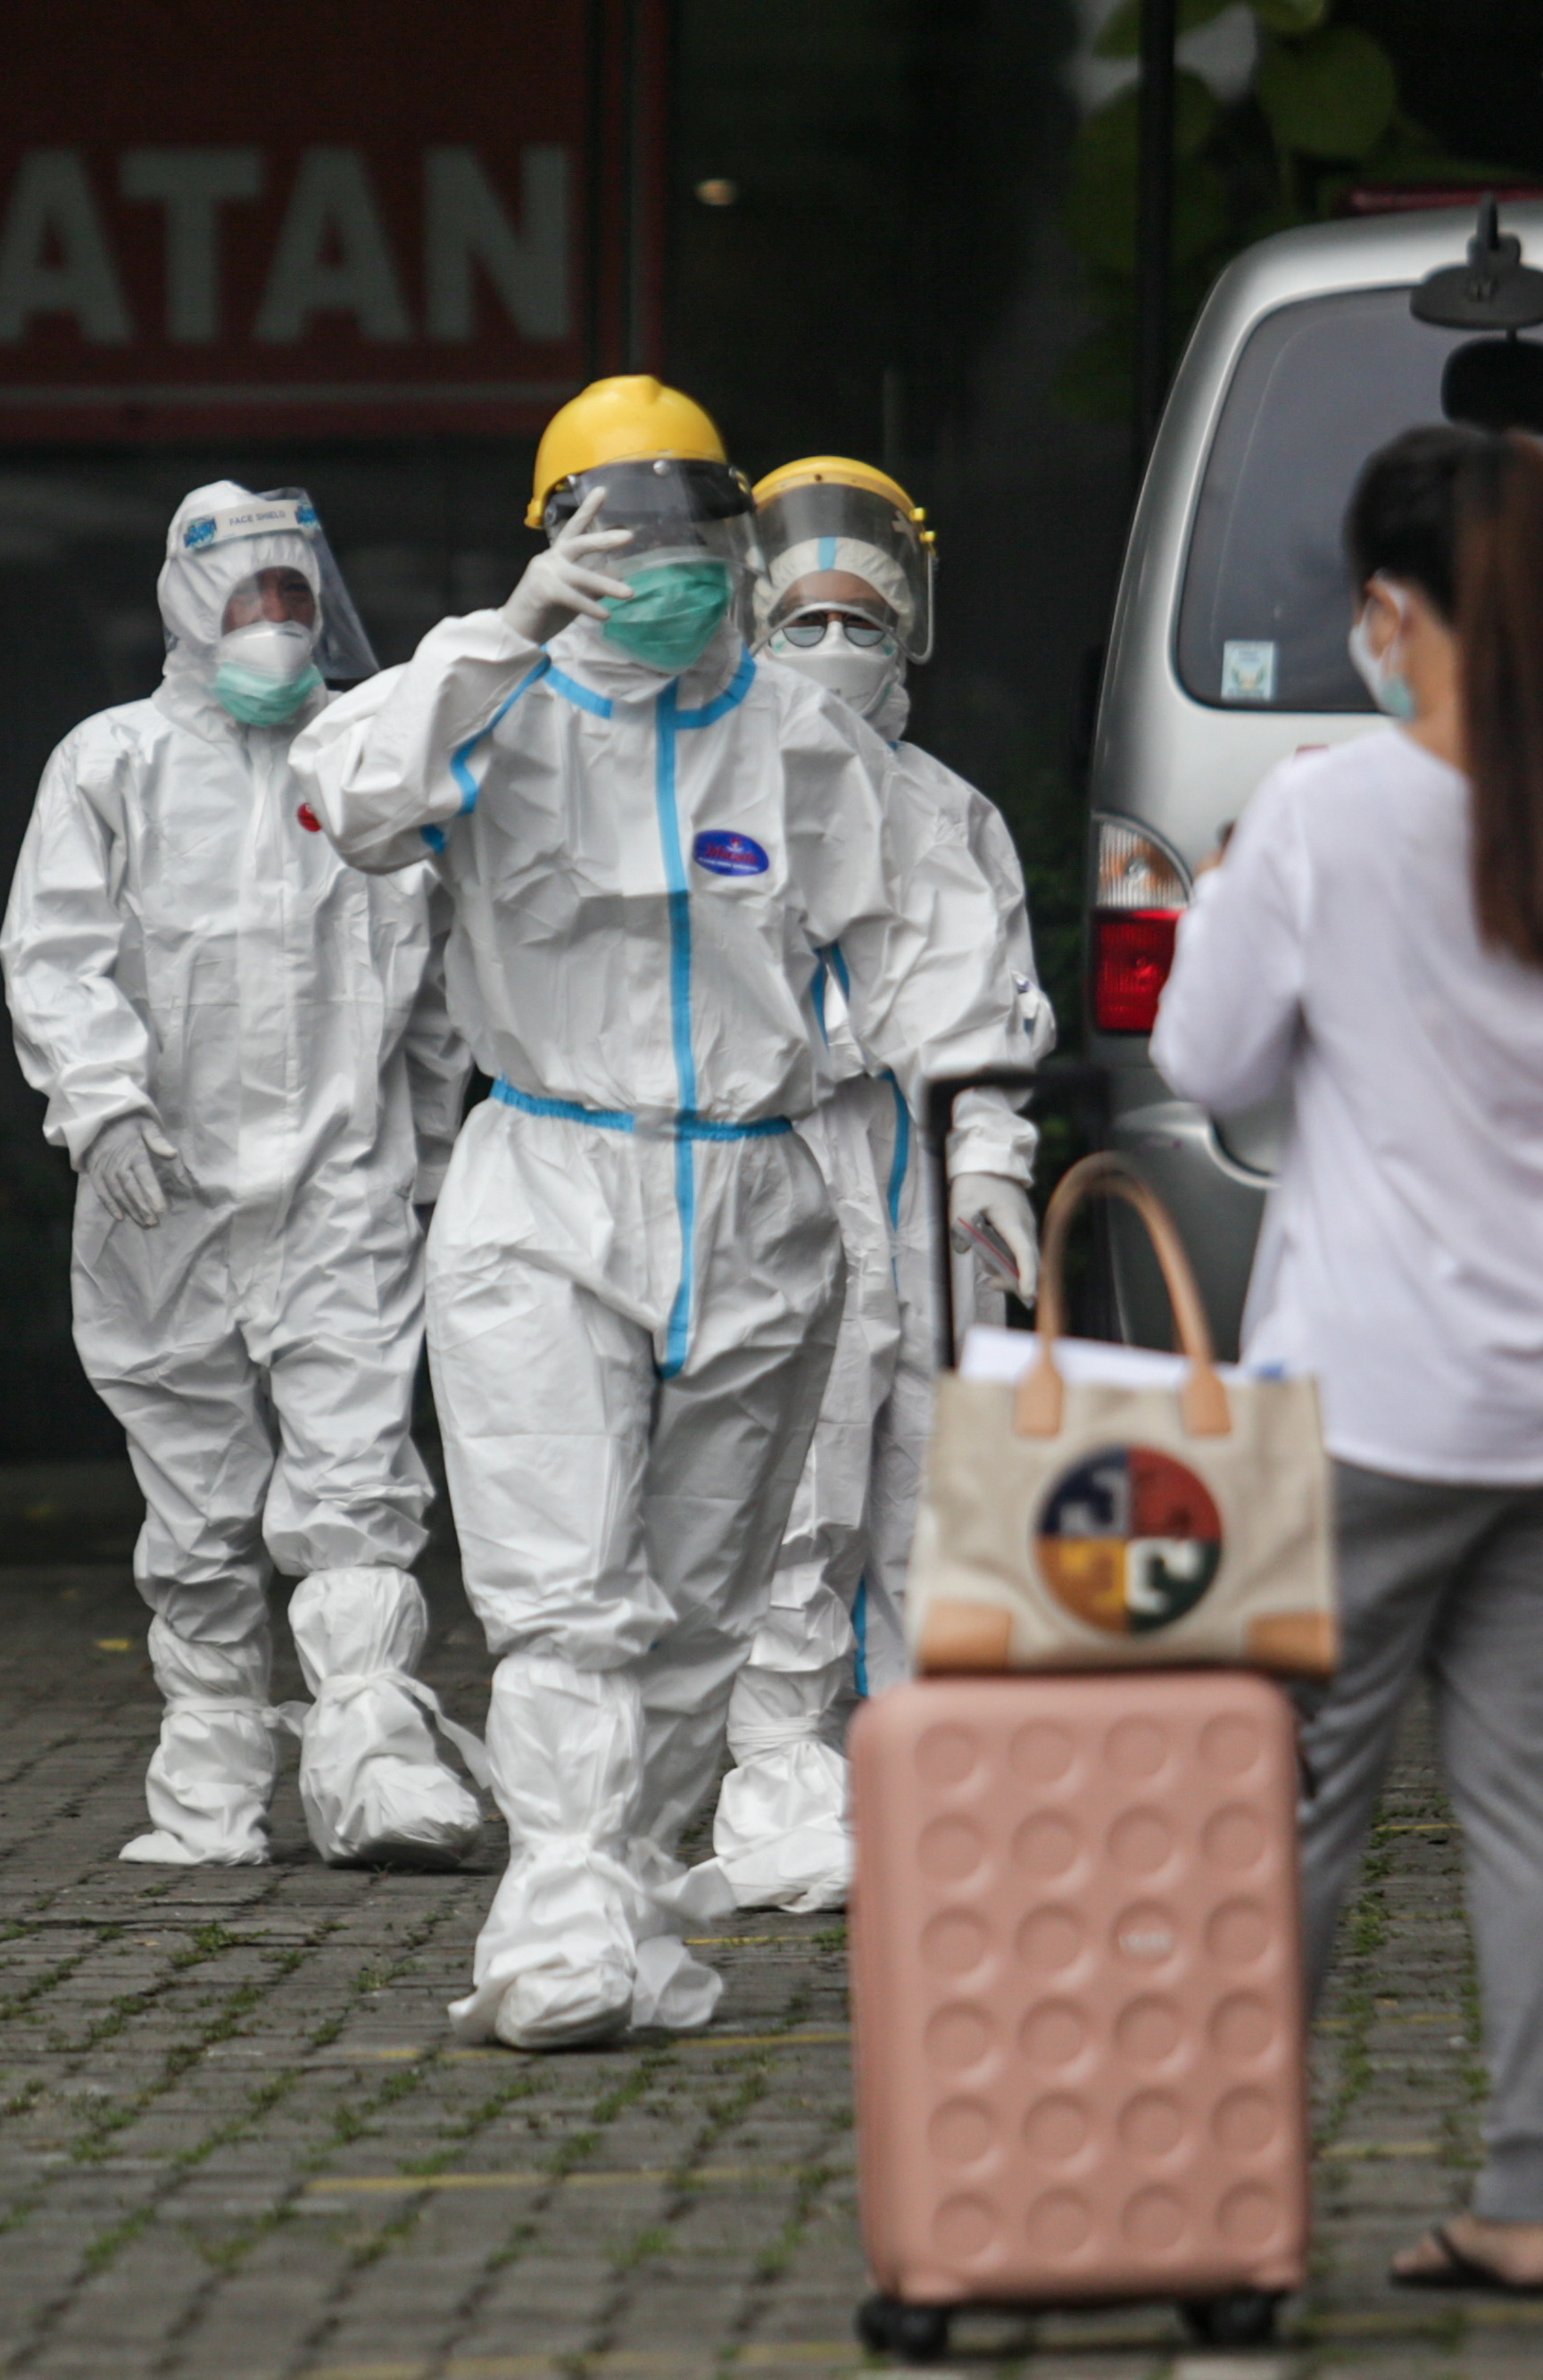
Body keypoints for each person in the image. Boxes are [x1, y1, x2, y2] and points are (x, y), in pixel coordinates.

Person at [296, 378, 1027, 2049]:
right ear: (558, 544)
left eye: (696, 532)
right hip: (545, 1185)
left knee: (705, 1596)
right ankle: (557, 1912)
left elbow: (924, 948)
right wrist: (502, 637)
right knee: (563, 1588)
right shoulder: (486, 709)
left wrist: (981, 1151)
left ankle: (618, 1893)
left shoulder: (798, 731)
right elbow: (347, 802)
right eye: (620, 534)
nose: (668, 565)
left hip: (761, 1191)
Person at [1152, 425, 1543, 2294]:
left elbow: (1205, 1067)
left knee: (1297, 1796)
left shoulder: (1320, 816)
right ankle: (1529, 2199)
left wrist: (1228, 889)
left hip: (1373, 1409)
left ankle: (1243, 2218)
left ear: (1393, 612)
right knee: (1533, 1791)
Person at [1, 482, 485, 1872]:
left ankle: (373, 1758)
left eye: (293, 598)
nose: (276, 625)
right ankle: (209, 1783)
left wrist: (433, 1156)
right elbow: (55, 952)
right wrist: (101, 1108)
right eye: (247, 602)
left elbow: (436, 982)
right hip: (165, 1200)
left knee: (356, 1480)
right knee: (200, 1506)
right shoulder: (113, 764)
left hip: (343, 1186)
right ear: (187, 612)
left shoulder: (362, 765)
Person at [709, 458, 1053, 1915]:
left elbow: (995, 1009)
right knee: (786, 1491)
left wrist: (993, 1167)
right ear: (753, 620)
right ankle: (778, 1785)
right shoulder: (707, 788)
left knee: (926, 1487)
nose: (837, 643)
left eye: (864, 617)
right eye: (810, 617)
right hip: (772, 1169)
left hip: (917, 1184)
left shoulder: (950, 813)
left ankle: (923, 1774)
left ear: (907, 628)